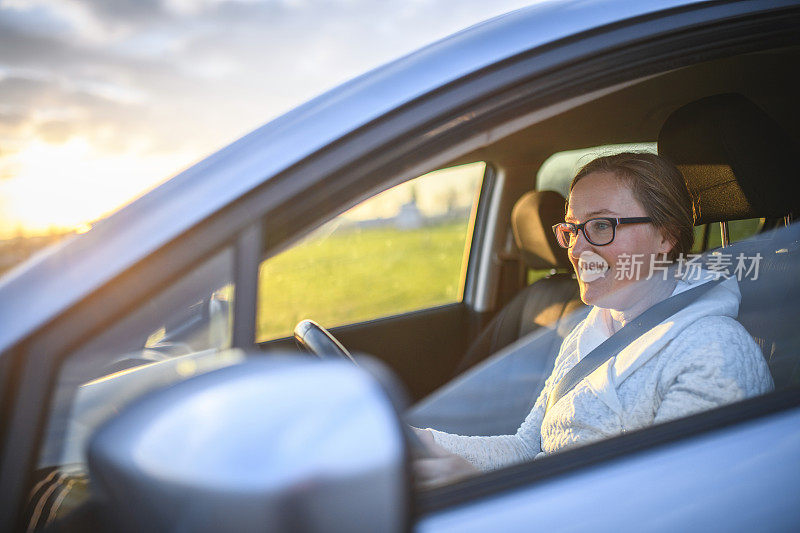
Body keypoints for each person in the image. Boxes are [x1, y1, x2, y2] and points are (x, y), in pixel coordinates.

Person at [413, 152, 774, 486]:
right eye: (571, 229)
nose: (577, 248)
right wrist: (422, 443)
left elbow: (658, 501)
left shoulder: (716, 351)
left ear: (666, 235)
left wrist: (482, 488)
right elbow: (530, 446)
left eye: (601, 226)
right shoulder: (594, 326)